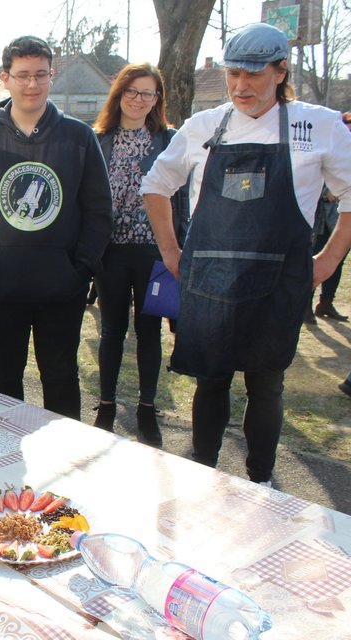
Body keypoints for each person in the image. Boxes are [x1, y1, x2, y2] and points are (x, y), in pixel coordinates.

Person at [141, 23, 351, 485]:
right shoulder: (202, 127)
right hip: (210, 282)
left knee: (266, 384)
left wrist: (329, 260)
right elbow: (155, 186)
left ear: (281, 71)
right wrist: (172, 250)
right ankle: (205, 473)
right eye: (235, 73)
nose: (241, 86)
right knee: (210, 380)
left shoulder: (316, 125)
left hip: (277, 284)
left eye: (254, 75)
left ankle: (261, 480)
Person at [0, 35, 112, 420]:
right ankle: (5, 472)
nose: (32, 84)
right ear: (5, 78)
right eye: (22, 75)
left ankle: (66, 471)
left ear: (51, 76)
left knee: (60, 380)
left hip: (62, 290)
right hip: (0, 289)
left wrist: (80, 269)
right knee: (3, 384)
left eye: (41, 74)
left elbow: (99, 211)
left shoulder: (78, 136)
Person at [91, 62, 188, 444]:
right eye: (132, 91)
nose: (138, 99)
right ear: (119, 94)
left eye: (147, 93)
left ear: (157, 99)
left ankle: (148, 409)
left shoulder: (169, 139)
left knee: (149, 332)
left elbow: (183, 198)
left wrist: (178, 247)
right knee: (112, 329)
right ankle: (107, 404)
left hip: (155, 251)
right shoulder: (99, 138)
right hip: (111, 251)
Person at [310, 111, 351, 323]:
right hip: (317, 216)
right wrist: (327, 190)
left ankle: (326, 302)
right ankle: (304, 306)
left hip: (338, 218)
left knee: (336, 260)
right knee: (312, 257)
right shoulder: (326, 141)